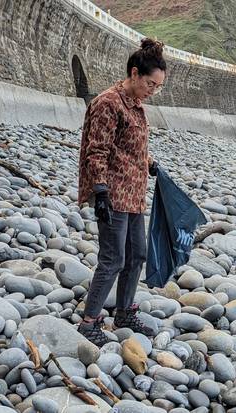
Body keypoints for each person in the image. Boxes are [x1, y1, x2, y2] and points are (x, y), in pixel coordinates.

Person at [76, 38, 166, 346]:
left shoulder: (137, 105)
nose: (153, 91)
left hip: (133, 193)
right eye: (151, 85)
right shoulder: (108, 103)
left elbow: (130, 147)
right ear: (135, 73)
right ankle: (89, 323)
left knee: (137, 255)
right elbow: (96, 150)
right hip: (112, 193)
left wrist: (150, 163)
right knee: (112, 258)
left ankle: (124, 311)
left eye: (158, 87)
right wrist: (99, 190)